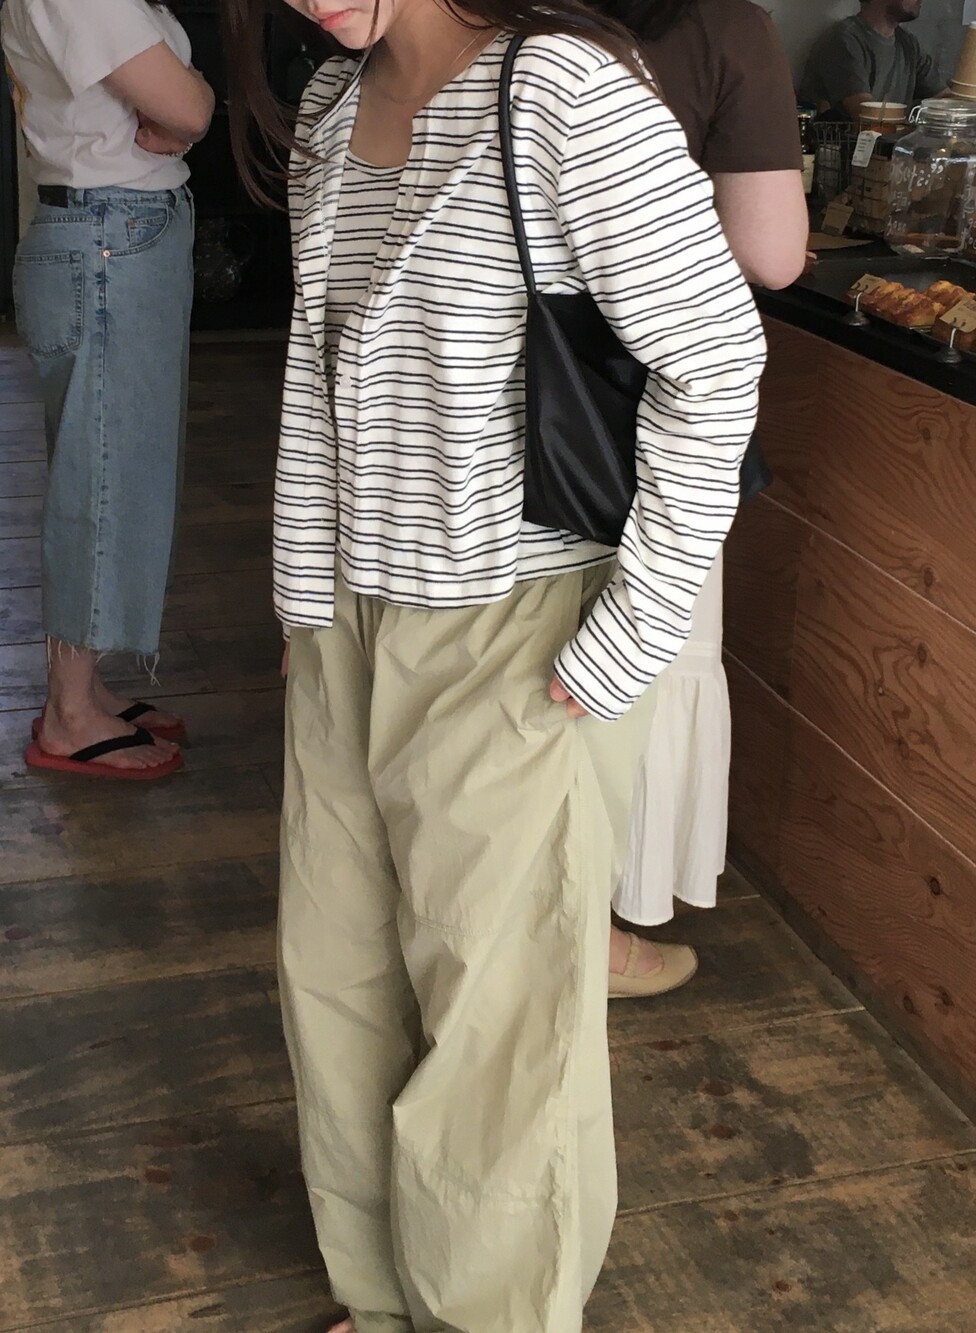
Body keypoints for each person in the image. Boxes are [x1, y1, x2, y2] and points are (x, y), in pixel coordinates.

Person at [221, 0, 766, 1327]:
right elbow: (321, 381)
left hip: (518, 627)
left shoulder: (562, 95)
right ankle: (382, 1296)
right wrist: (305, 605)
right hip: (349, 623)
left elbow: (716, 363)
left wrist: (629, 634)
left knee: (499, 1021)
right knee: (335, 975)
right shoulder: (332, 105)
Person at [590, 0, 809, 998]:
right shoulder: (723, 25)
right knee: (641, 654)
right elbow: (772, 254)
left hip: (471, 392)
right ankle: (592, 933)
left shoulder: (481, 14)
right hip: (644, 403)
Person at [1, 0, 214, 778]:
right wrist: (192, 107)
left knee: (103, 472)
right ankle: (68, 715)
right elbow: (188, 105)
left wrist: (180, 113)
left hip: (107, 234)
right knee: (100, 481)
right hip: (108, 239)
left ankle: (82, 689)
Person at [799, 0, 948, 124]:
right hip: (848, 149)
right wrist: (918, 133)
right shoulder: (843, 40)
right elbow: (866, 114)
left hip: (889, 148)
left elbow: (945, 100)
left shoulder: (909, 44)